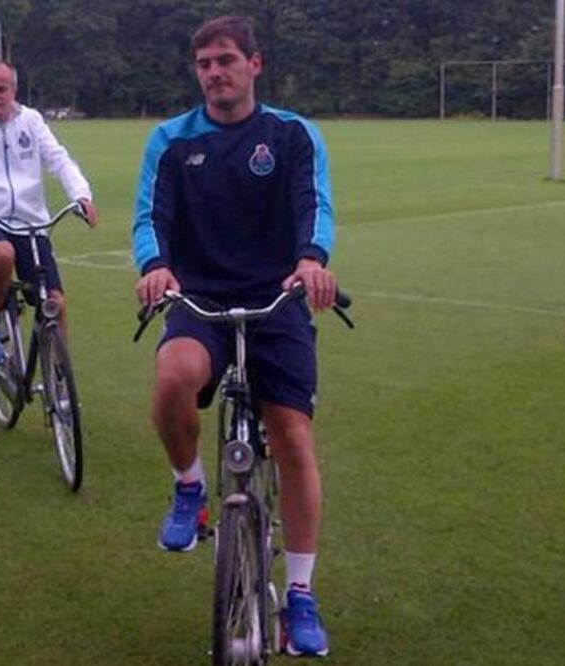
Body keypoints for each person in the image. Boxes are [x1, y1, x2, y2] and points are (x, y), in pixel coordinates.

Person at [131, 16, 338, 658]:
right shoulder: (170, 141)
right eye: (203, 63)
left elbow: (315, 205)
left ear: (255, 63)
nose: (214, 72)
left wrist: (313, 258)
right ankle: (191, 487)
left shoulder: (292, 135)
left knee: (293, 437)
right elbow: (150, 216)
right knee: (172, 378)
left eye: (225, 59)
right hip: (199, 298)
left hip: (276, 297)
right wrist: (154, 266)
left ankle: (299, 593)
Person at [0, 60, 99, 365]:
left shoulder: (31, 121)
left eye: (1, 89)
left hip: (31, 223)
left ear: (14, 90)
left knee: (56, 303)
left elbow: (58, 159)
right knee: (2, 255)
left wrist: (81, 195)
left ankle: (59, 379)